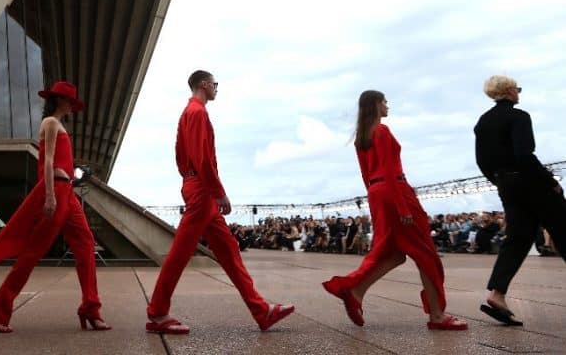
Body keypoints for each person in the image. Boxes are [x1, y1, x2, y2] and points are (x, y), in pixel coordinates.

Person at [145, 70, 294, 335]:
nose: (216, 88)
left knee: (228, 250)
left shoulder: (188, 112)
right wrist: (218, 191)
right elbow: (203, 158)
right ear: (204, 84)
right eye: (215, 84)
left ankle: (261, 311)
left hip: (194, 184)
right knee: (181, 251)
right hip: (203, 188)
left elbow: (182, 156)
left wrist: (193, 183)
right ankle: (157, 312)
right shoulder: (198, 112)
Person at [322, 90, 466, 330]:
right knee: (425, 253)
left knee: (393, 253)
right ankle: (438, 316)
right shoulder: (383, 131)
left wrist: (377, 201)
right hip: (395, 189)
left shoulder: (362, 136)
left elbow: (366, 175)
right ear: (377, 105)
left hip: (377, 193)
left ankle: (356, 292)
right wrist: (402, 207)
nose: (388, 105)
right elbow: (389, 170)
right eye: (385, 102)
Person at [0, 81, 109, 333]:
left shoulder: (58, 125)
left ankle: (90, 308)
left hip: (68, 193)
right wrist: (50, 196)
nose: (73, 106)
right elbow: (49, 162)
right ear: (60, 101)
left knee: (85, 245)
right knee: (33, 251)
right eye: (70, 101)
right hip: (57, 191)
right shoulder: (51, 123)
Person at [474, 76, 566, 326]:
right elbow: (525, 155)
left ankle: (497, 293)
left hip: (506, 183)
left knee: (518, 238)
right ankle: (497, 294)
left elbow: (482, 161)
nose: (519, 93)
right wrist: (550, 182)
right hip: (529, 181)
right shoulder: (519, 116)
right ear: (509, 90)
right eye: (518, 88)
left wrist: (500, 181)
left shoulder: (483, 122)